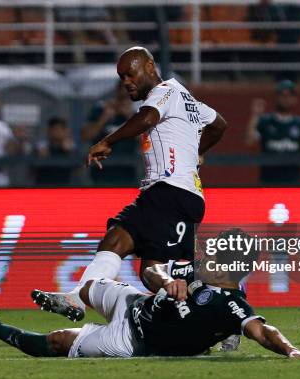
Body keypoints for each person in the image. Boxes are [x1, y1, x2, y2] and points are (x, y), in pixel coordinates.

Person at [33, 46, 229, 322]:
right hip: (177, 195)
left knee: (149, 264)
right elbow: (219, 124)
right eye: (121, 77)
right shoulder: (186, 98)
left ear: (149, 67)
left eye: (130, 74)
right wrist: (197, 152)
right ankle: (78, 297)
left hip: (169, 191)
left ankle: (221, 306)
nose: (126, 82)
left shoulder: (165, 92)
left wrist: (107, 141)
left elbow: (147, 117)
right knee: (131, 253)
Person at [0, 259, 300, 358]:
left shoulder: (232, 304)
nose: (213, 262)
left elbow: (262, 331)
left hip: (134, 339)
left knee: (58, 342)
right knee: (91, 287)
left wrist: (291, 350)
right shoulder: (196, 272)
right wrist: (166, 280)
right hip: (135, 302)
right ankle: (73, 302)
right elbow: (153, 269)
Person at [246, 80, 300, 185]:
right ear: (276, 97)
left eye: (289, 95)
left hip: (293, 181)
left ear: (294, 99)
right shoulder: (266, 121)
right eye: (282, 95)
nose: (285, 98)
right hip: (268, 181)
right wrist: (255, 115)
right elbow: (249, 141)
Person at [81, 81, 137, 185]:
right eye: (121, 97)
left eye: (127, 97)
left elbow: (145, 140)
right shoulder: (100, 110)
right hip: (101, 171)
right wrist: (103, 119)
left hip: (127, 173)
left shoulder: (136, 115)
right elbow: (86, 136)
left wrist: (129, 117)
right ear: (116, 93)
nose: (123, 101)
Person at [36, 117, 76, 185]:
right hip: (44, 186)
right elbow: (32, 171)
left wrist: (69, 152)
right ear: (49, 131)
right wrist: (42, 158)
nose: (57, 132)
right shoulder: (42, 146)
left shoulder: (70, 146)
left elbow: (78, 171)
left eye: (60, 129)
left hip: (65, 186)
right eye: (54, 129)